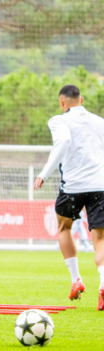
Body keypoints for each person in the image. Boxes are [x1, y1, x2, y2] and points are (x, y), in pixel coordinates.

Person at [34, 84, 104, 310]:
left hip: (72, 187)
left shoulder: (58, 120)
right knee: (100, 239)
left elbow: (63, 143)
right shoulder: (99, 121)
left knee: (64, 228)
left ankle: (76, 279)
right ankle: (103, 283)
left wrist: (44, 173)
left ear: (62, 102)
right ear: (81, 100)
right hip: (99, 186)